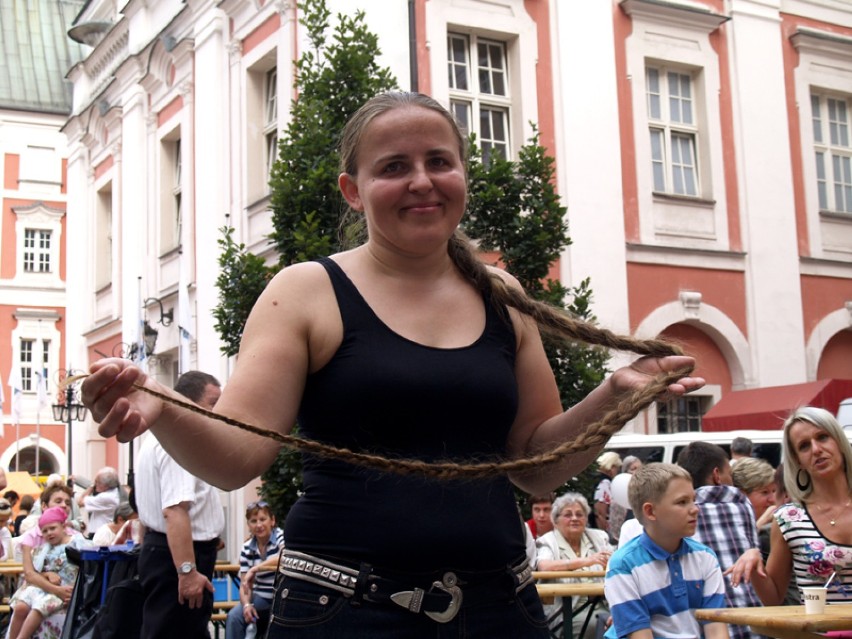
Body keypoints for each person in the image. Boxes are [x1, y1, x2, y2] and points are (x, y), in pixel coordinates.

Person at [80, 91, 704, 638]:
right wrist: (165, 408)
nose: (422, 180)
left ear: (463, 172)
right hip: (342, 610)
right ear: (353, 189)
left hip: (499, 608)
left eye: (439, 161)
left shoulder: (501, 296)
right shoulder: (304, 291)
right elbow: (237, 454)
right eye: (394, 167)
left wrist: (612, 398)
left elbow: (537, 468)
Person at [730, 407, 852, 615]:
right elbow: (774, 598)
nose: (816, 449)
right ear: (797, 461)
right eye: (804, 446)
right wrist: (754, 559)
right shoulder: (789, 519)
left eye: (822, 437)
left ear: (839, 442)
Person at [133, 370, 225, 639]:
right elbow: (174, 511)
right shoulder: (178, 439)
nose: (218, 412)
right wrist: (187, 571)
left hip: (170, 553)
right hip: (177, 560)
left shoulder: (162, 435)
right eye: (213, 403)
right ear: (190, 402)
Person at [604, 463, 729, 639]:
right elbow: (640, 636)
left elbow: (716, 630)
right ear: (650, 511)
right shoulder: (623, 566)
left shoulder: (705, 557)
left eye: (693, 500)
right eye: (682, 502)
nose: (695, 509)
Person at [676, 442, 764, 639]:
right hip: (753, 624)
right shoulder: (741, 504)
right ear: (717, 475)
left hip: (703, 627)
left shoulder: (676, 513)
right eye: (730, 475)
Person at [536, 493, 612, 639]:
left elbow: (614, 562)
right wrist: (586, 561)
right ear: (556, 520)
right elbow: (544, 566)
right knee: (596, 627)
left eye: (579, 514)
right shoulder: (548, 541)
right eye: (568, 515)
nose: (575, 518)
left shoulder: (598, 537)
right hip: (568, 610)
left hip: (603, 603)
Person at [7, 507, 84, 639]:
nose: (49, 533)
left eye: (53, 528)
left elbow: (86, 569)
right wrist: (47, 574)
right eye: (45, 531)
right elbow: (34, 573)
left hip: (65, 588)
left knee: (39, 608)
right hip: (44, 588)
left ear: (63, 526)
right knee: (20, 606)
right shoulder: (44, 548)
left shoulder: (77, 544)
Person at [226, 501, 285, 639]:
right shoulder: (247, 547)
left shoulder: (280, 537)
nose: (259, 525)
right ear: (248, 525)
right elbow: (245, 585)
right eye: (253, 521)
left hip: (282, 598)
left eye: (263, 519)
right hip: (261, 599)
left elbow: (284, 557)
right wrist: (247, 605)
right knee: (234, 617)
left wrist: (256, 568)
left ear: (272, 520)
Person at [731, 457, 776, 545]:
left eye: (774, 491)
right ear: (742, 495)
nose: (773, 499)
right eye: (765, 492)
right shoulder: (727, 521)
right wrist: (762, 522)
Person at [76, 466, 122, 538]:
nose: (95, 484)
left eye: (97, 482)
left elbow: (80, 502)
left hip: (101, 534)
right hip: (104, 532)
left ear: (106, 485)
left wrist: (91, 487)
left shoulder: (105, 497)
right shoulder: (114, 493)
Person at [608, 456, 642, 544]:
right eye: (633, 469)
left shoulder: (646, 494)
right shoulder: (619, 498)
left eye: (640, 468)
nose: (637, 472)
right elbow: (615, 530)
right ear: (625, 472)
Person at [591, 452, 621, 536]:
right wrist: (603, 534)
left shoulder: (593, 478)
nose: (617, 472)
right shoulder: (605, 482)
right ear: (612, 467)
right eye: (617, 469)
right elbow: (600, 512)